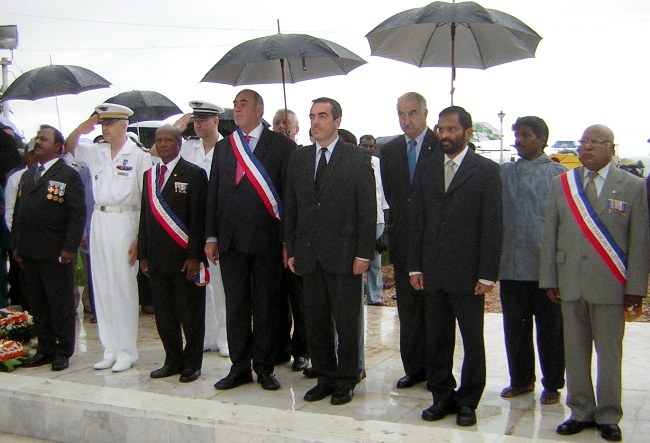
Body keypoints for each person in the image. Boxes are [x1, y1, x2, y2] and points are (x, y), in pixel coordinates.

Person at [539, 125, 649, 442]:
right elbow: (550, 235)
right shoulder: (562, 184)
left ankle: (608, 415)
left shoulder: (632, 186)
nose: (587, 148)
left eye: (595, 142)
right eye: (584, 142)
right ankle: (581, 411)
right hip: (570, 282)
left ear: (611, 148)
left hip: (611, 286)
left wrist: (636, 289)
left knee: (609, 354)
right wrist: (549, 278)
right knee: (574, 352)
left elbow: (640, 243)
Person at [408, 106, 502, 426]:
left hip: (469, 274)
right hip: (432, 272)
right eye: (441, 129)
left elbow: (493, 225)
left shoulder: (486, 171)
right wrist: (414, 267)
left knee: (472, 340)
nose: (445, 135)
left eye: (451, 129)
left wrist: (488, 274)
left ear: (467, 133)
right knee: (437, 338)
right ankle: (442, 396)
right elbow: (417, 218)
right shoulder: (427, 167)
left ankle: (469, 400)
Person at [284, 97, 376, 405]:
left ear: (337, 120)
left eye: (322, 116)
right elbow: (292, 207)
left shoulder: (356, 157)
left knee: (347, 322)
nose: (316, 122)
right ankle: (324, 376)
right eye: (312, 116)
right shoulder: (299, 159)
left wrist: (364, 253)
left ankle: (346, 379)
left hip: (345, 255)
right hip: (309, 256)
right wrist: (292, 248)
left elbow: (367, 209)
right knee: (316, 320)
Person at [205, 89, 295, 391]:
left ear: (259, 109)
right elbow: (214, 194)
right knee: (237, 306)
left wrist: (286, 241)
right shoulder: (224, 147)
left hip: (266, 241)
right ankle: (239, 366)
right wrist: (211, 236)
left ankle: (265, 366)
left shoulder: (281, 146)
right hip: (230, 242)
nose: (237, 109)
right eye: (234, 105)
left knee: (267, 305)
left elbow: (289, 199)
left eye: (242, 104)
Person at [65, 104, 152, 372]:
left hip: (126, 219)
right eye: (102, 123)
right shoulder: (96, 152)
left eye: (110, 123)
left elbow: (146, 199)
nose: (105, 128)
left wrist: (139, 236)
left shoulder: (138, 156)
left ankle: (127, 349)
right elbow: (68, 147)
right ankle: (110, 348)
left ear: (124, 125)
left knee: (123, 287)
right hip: (100, 220)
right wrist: (82, 128)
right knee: (102, 286)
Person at [498, 116, 567, 405]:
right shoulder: (503, 173)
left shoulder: (559, 175)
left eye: (526, 135)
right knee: (515, 328)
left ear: (541, 139)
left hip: (546, 269)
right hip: (511, 266)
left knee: (551, 330)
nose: (520, 140)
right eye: (517, 134)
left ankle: (552, 383)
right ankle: (521, 379)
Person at [138, 125, 208, 383]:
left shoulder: (194, 173)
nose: (164, 145)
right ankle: (172, 360)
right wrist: (143, 253)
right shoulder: (149, 175)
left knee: (189, 314)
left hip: (183, 259)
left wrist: (194, 256)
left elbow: (199, 219)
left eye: (169, 140)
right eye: (159, 141)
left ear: (179, 143)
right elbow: (145, 217)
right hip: (156, 259)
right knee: (164, 315)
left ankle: (192, 363)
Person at [13, 125, 86, 371]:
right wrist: (17, 245)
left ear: (58, 147)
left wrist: (69, 247)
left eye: (44, 139)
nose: (38, 142)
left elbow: (77, 214)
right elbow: (19, 213)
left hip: (55, 251)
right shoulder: (28, 175)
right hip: (29, 251)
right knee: (38, 302)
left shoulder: (68, 175)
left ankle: (63, 350)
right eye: (37, 138)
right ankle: (44, 348)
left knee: (60, 302)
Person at [380, 92, 439, 389]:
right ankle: (413, 367)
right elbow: (392, 194)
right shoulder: (389, 151)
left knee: (435, 309)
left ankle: (436, 369)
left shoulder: (441, 146)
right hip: (404, 241)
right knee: (409, 308)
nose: (407, 120)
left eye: (412, 113)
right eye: (401, 114)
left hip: (436, 242)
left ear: (425, 114)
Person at [174, 100, 229, 358]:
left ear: (215, 121)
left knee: (221, 284)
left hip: (217, 221)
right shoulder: (188, 147)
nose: (198, 124)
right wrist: (178, 127)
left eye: (203, 120)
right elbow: (154, 152)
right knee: (200, 284)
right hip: (193, 223)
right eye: (195, 120)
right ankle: (206, 336)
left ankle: (225, 337)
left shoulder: (227, 147)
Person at [271, 107, 309, 372]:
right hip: (269, 240)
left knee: (300, 301)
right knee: (273, 300)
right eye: (277, 123)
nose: (282, 127)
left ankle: (302, 350)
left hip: (295, 240)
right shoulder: (265, 156)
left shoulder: (303, 157)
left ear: (296, 129)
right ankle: (279, 347)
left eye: (287, 123)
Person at [359, 134, 389, 306]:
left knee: (375, 262)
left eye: (371, 146)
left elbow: (383, 193)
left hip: (377, 219)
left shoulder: (379, 164)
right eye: (364, 146)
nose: (368, 149)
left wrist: (385, 221)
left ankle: (375, 297)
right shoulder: (354, 162)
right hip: (359, 220)